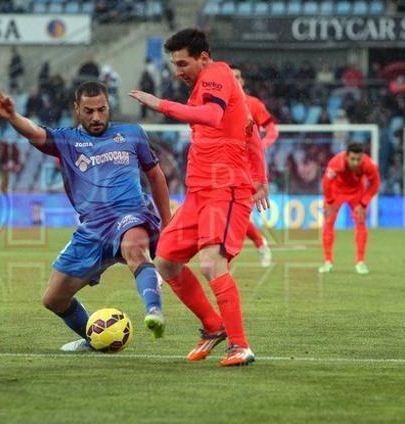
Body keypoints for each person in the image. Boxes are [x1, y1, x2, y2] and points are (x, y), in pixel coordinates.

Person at [0, 81, 172, 351]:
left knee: (136, 251)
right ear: (76, 109)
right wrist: (13, 117)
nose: (96, 117)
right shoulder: (67, 140)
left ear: (108, 106)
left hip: (130, 213)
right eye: (88, 111)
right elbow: (36, 132)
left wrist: (168, 223)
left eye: (101, 109)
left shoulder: (132, 134)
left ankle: (154, 312)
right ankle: (95, 339)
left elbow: (156, 176)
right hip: (92, 229)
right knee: (54, 299)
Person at [129, 28, 268, 367]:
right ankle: (212, 326)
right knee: (166, 260)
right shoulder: (207, 86)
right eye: (174, 64)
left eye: (183, 63)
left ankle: (240, 345)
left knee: (210, 263)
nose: (178, 71)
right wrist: (262, 177)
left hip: (225, 189)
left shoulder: (216, 74)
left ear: (203, 58)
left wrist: (159, 104)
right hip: (199, 193)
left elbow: (212, 116)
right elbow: (249, 131)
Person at [231, 65, 279, 268]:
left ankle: (257, 246)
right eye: (230, 77)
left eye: (237, 77)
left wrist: (260, 146)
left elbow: (272, 130)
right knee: (231, 214)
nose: (234, 80)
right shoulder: (218, 106)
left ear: (242, 81)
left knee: (237, 214)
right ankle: (260, 244)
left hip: (249, 170)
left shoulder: (254, 104)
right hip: (227, 167)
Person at [319, 143, 380, 274]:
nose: (355, 162)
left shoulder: (369, 165)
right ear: (347, 156)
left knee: (361, 223)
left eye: (358, 159)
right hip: (336, 192)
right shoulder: (336, 162)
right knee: (328, 224)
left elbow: (375, 184)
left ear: (362, 157)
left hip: (357, 193)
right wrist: (329, 201)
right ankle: (328, 262)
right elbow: (326, 182)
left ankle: (360, 262)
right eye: (352, 159)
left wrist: (363, 203)